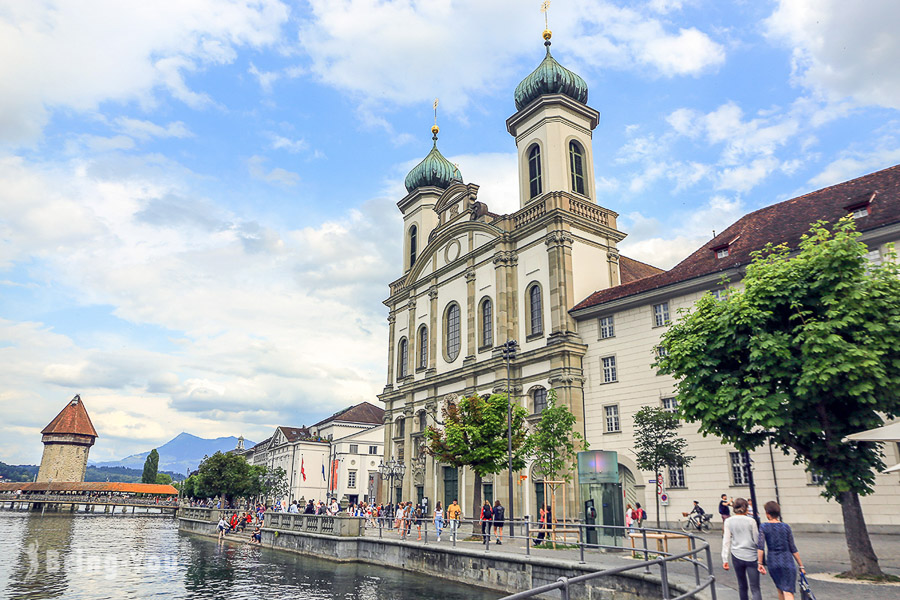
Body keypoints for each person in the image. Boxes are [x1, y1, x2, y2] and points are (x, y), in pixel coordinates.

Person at [758, 501, 805, 600]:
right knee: (788, 591)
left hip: (773, 562)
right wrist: (801, 565)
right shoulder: (786, 527)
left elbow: (760, 546)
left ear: (767, 513)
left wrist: (760, 563)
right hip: (787, 560)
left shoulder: (764, 526)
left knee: (780, 588)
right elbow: (793, 548)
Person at [722, 498, 762, 600]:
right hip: (751, 555)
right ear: (746, 508)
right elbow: (757, 539)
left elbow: (726, 540)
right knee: (755, 587)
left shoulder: (728, 521)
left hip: (736, 555)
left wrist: (725, 559)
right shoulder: (751, 521)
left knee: (742, 585)